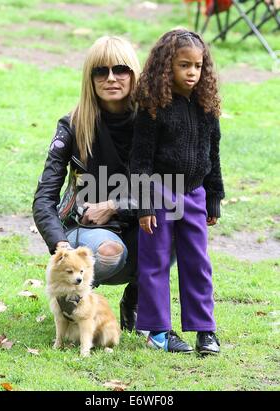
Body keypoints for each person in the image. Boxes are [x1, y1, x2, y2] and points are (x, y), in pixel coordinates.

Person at [32, 36, 142, 332]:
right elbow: (44, 197)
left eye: (120, 69)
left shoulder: (152, 122)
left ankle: (136, 298)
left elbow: (170, 188)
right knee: (108, 252)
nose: (110, 78)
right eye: (100, 71)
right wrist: (61, 245)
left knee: (173, 229)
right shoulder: (72, 124)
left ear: (134, 74)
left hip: (137, 220)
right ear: (89, 77)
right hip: (86, 229)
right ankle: (75, 307)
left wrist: (116, 205)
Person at [130, 29, 225, 354]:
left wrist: (213, 196)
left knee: (197, 261)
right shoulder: (153, 107)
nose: (192, 73)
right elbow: (140, 160)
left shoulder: (206, 107)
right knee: (154, 261)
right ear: (166, 65)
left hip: (195, 194)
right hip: (158, 195)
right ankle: (158, 331)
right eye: (185, 65)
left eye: (198, 66)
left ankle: (205, 330)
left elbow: (213, 155)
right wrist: (143, 205)